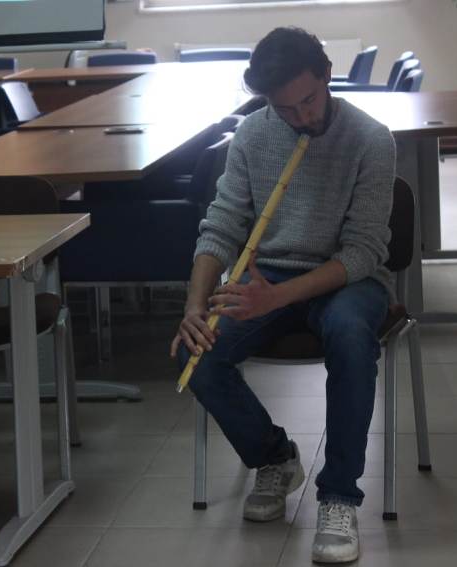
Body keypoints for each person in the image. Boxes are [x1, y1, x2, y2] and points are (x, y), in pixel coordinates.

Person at [170, 27, 395, 564]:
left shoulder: (371, 139)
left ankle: (338, 496)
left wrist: (278, 297)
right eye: (285, 109)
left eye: (309, 100)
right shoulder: (253, 134)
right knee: (196, 355)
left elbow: (363, 251)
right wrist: (195, 306)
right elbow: (222, 225)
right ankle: (275, 458)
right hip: (267, 272)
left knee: (348, 335)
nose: (302, 117)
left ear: (327, 75)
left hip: (348, 278)